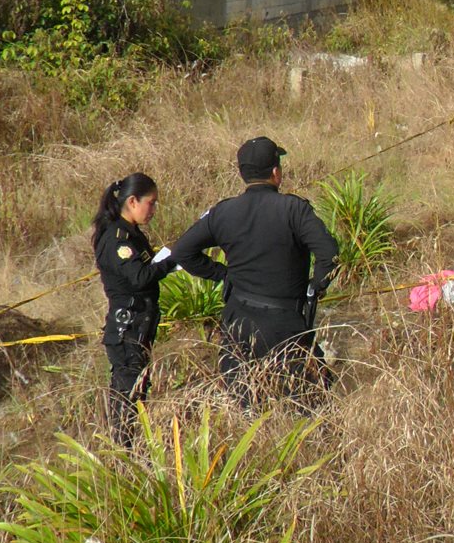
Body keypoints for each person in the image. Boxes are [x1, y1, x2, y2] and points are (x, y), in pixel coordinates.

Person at [171, 137, 338, 406]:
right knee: (312, 404)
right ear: (276, 172)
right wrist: (315, 287)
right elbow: (329, 254)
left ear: (242, 174)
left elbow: (182, 251)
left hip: (238, 323)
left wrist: (222, 274)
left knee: (246, 407)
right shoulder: (293, 209)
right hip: (285, 322)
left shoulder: (223, 212)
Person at [92, 172, 178, 447]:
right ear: (132, 201)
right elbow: (140, 277)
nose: (153, 210)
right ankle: (123, 454)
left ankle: (130, 450)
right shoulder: (117, 238)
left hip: (138, 328)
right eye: (150, 203)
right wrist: (171, 261)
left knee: (136, 394)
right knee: (126, 399)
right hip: (127, 330)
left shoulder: (131, 233)